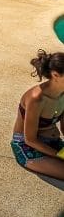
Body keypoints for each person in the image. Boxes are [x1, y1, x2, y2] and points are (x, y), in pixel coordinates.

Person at [11, 50, 64, 180]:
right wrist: (59, 155)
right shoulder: (36, 99)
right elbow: (30, 139)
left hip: (54, 143)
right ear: (55, 75)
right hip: (28, 146)